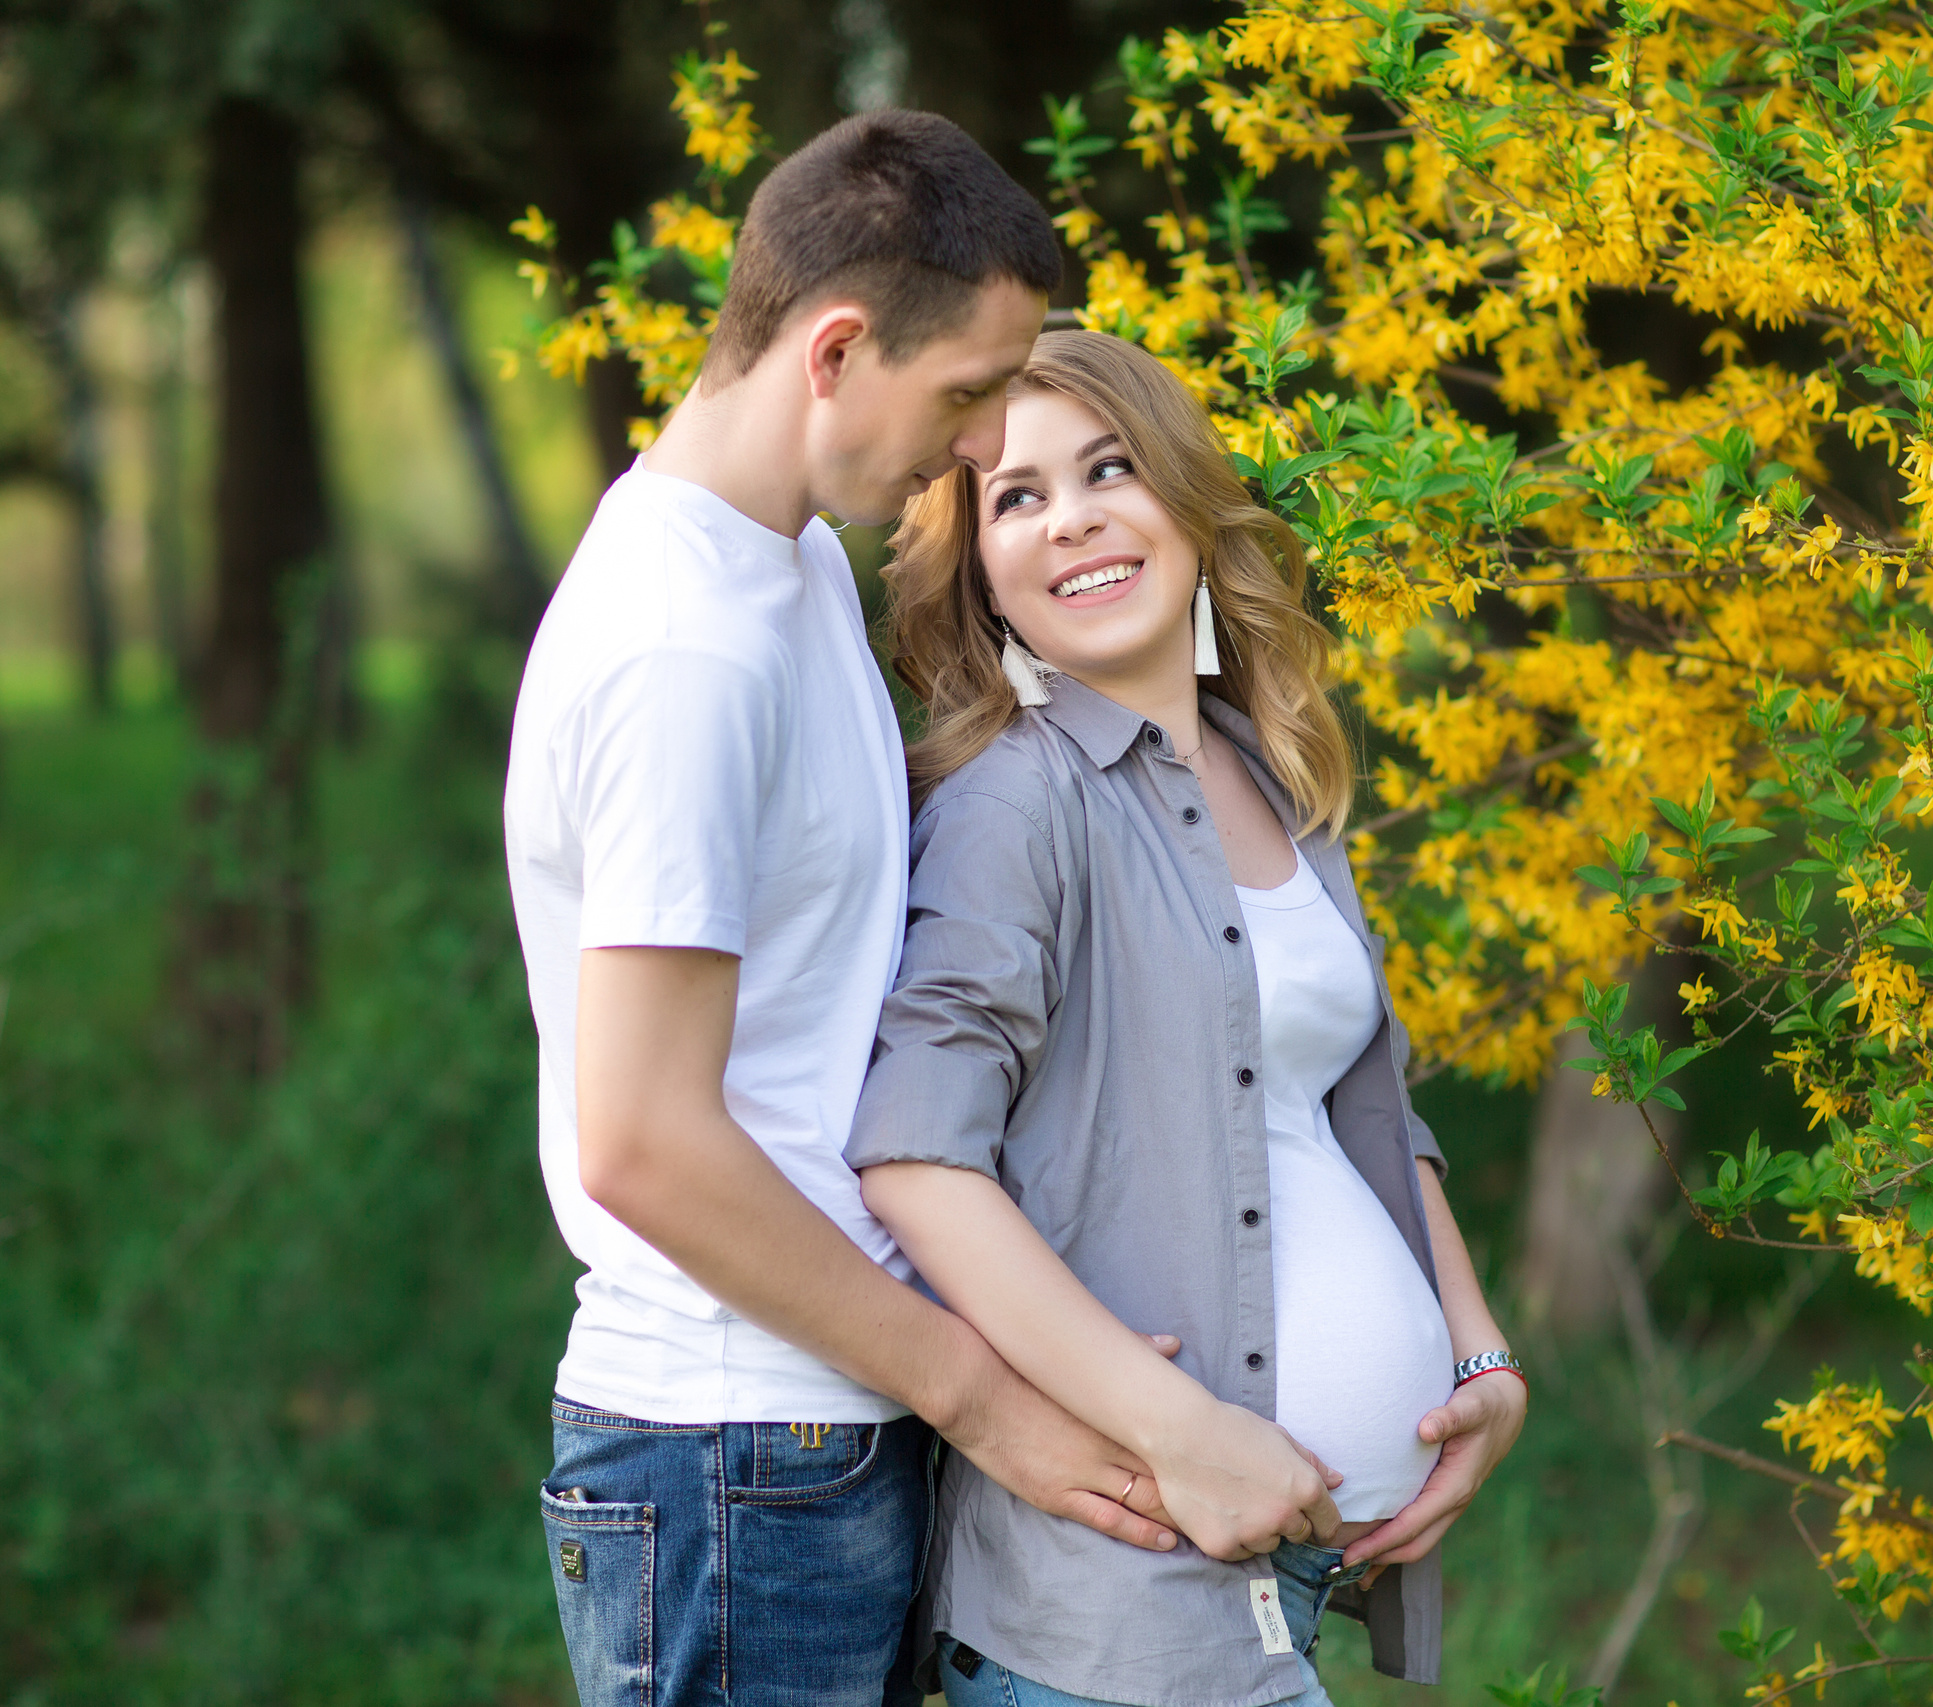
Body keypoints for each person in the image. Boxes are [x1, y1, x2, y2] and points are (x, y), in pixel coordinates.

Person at [504, 118, 1186, 1707]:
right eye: (961, 397)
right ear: (834, 350)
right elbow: (645, 1143)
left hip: (822, 1418)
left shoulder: (787, 561)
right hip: (735, 1456)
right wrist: (987, 1397)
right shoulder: (685, 649)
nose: (971, 448)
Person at [848, 331, 1530, 1706]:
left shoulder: (1269, 777)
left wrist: (1481, 1358)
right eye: (1018, 495)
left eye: (1109, 468)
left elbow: (1362, 1108)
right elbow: (917, 1158)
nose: (1076, 514)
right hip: (1118, 1597)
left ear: (1183, 495)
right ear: (977, 563)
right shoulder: (1015, 806)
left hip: (1286, 1585)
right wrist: (1183, 1430)